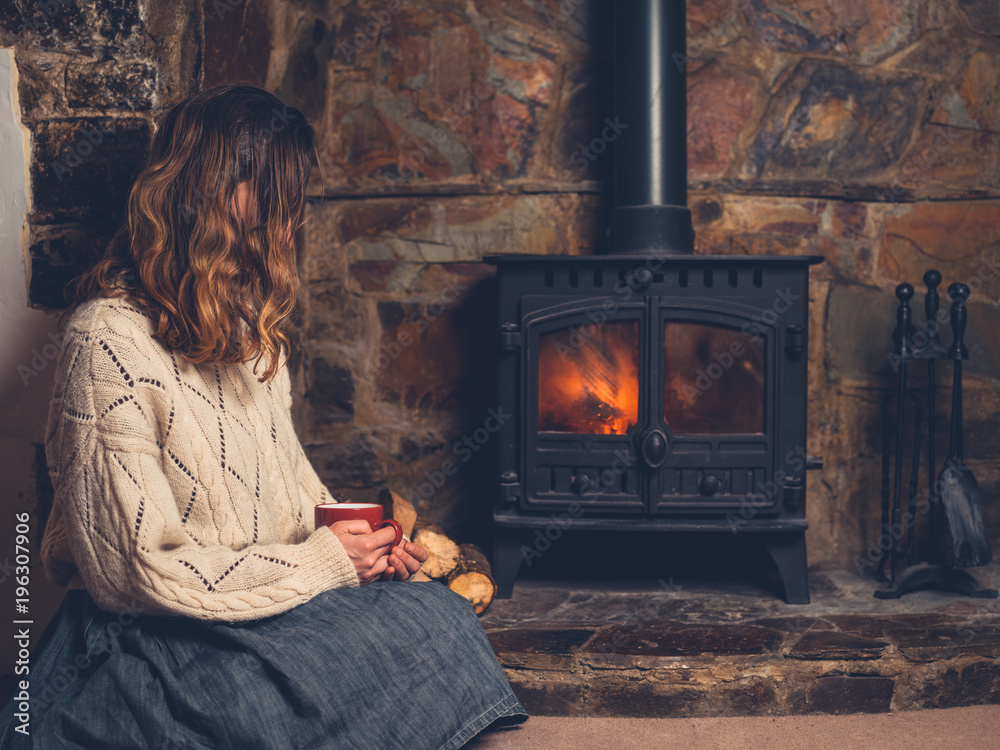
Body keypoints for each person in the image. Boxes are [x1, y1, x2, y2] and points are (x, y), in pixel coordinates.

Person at [0, 84, 527, 749]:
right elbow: (132, 574)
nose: (290, 217)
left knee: (433, 617)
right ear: (208, 192)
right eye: (273, 193)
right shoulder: (104, 341)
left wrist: (364, 547)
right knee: (284, 693)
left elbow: (297, 498)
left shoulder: (250, 336)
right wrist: (325, 565)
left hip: (257, 604)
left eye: (293, 196)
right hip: (157, 636)